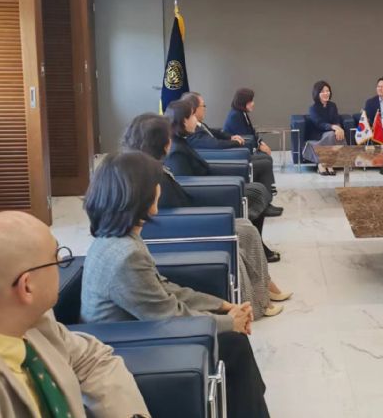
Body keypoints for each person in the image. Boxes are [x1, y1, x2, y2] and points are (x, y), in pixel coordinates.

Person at [80, 152, 270, 418]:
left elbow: (164, 287)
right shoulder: (125, 256)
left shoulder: (118, 237)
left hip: (139, 326)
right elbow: (167, 315)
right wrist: (230, 322)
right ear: (140, 192)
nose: (160, 189)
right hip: (129, 342)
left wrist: (223, 306)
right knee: (233, 343)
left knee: (233, 342)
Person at [0, 211, 150, 417]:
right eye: (55, 257)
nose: (61, 260)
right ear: (27, 286)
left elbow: (92, 359)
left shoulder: (30, 322)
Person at [121, 113, 291, 314]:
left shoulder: (150, 166)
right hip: (182, 228)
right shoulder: (148, 173)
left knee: (247, 228)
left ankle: (264, 289)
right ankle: (257, 303)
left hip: (188, 219)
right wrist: (208, 220)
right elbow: (164, 214)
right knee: (244, 234)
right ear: (161, 142)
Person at [165, 99, 282, 218]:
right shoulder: (176, 151)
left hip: (210, 182)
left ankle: (256, 216)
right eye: (192, 116)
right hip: (207, 191)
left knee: (258, 189)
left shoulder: (180, 141)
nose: (195, 120)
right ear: (184, 121)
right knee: (257, 192)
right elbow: (187, 185)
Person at [182, 91, 279, 199]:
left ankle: (266, 193)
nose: (205, 108)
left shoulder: (200, 125)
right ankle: (266, 195)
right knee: (264, 163)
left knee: (265, 160)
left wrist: (231, 137)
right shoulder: (192, 132)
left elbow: (216, 132)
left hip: (227, 155)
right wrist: (235, 142)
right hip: (222, 160)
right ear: (193, 109)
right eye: (203, 106)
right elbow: (214, 144)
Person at [303, 80, 346, 175]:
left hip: (331, 131)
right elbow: (319, 124)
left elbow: (336, 119)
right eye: (322, 91)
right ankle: (323, 163)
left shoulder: (332, 105)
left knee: (336, 135)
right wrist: (334, 127)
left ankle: (326, 163)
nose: (326, 93)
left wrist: (339, 128)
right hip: (318, 133)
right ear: (317, 93)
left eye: (327, 91)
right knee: (331, 135)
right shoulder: (313, 108)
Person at [224, 88, 273, 158]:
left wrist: (260, 142)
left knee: (266, 156)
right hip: (237, 151)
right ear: (242, 102)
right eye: (250, 101)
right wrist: (259, 146)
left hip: (246, 147)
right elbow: (245, 137)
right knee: (266, 158)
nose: (253, 103)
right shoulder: (235, 116)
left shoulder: (242, 113)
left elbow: (251, 132)